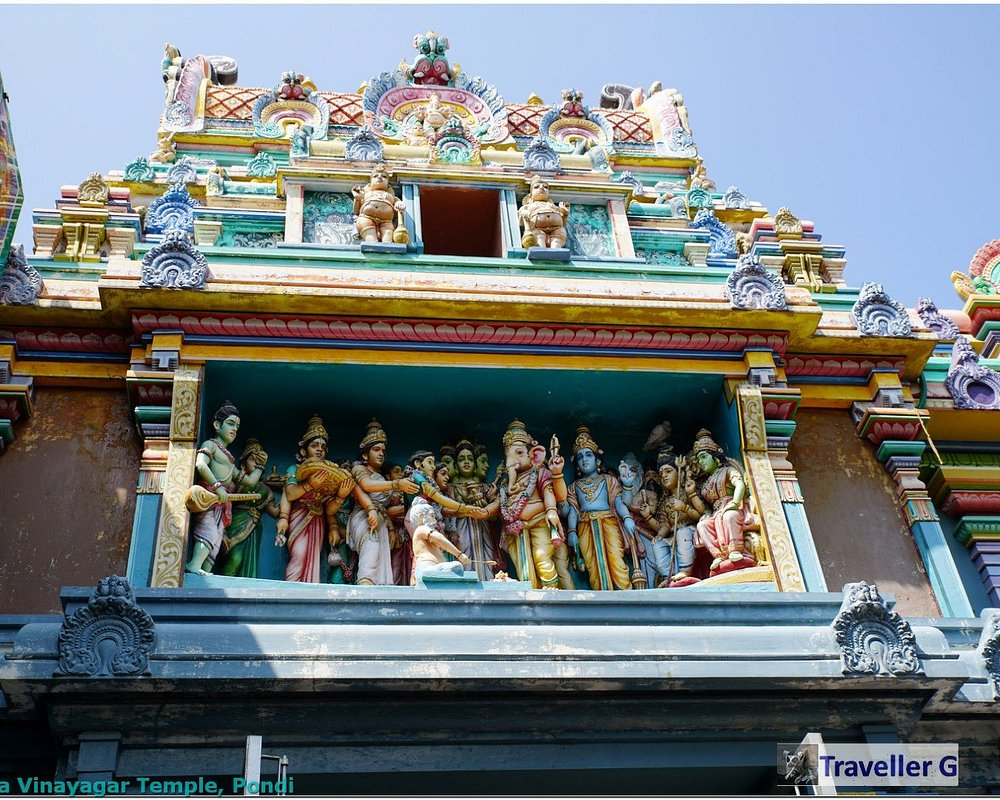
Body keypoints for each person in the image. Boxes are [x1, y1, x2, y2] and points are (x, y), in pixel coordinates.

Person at [275, 415, 377, 583]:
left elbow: (330, 509)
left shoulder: (328, 475)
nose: (319, 449)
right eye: (314, 445)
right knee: (299, 556)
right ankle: (292, 590)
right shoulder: (295, 469)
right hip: (299, 516)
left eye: (323, 446)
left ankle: (307, 592)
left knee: (313, 559)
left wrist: (340, 498)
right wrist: (284, 518)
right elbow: (290, 494)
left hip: (318, 519)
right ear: (303, 450)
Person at [564, 426, 635, 591]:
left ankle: (626, 595)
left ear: (597, 461)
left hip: (609, 522)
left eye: (588, 455)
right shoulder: (574, 487)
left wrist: (627, 518)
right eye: (580, 457)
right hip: (584, 526)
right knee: (592, 565)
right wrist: (572, 531)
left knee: (617, 561)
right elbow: (573, 510)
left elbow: (619, 502)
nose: (584, 460)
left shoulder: (608, 480)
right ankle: (601, 597)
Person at [498, 419, 567, 589]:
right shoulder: (505, 484)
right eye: (510, 456)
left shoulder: (539, 472)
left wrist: (551, 510)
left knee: (541, 556)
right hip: (515, 530)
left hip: (539, 522)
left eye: (520, 453)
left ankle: (552, 591)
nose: (514, 460)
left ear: (535, 455)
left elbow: (550, 493)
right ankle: (531, 595)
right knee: (523, 567)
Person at [348, 419, 418, 586]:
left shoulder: (383, 478)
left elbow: (388, 508)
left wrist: (391, 528)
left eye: (383, 451)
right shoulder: (360, 469)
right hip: (363, 515)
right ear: (365, 455)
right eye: (376, 450)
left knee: (381, 555)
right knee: (371, 547)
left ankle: (376, 587)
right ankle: (364, 586)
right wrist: (396, 484)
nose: (381, 454)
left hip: (380, 520)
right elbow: (366, 485)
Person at [688, 429, 757, 576]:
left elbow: (739, 484)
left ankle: (735, 550)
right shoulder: (706, 483)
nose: (700, 462)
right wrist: (692, 494)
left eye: (703, 457)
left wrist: (736, 501)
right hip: (716, 512)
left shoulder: (728, 470)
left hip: (733, 506)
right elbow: (704, 508)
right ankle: (718, 556)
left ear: (715, 458)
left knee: (729, 517)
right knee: (702, 525)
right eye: (699, 459)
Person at [186, 402, 242, 576]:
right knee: (208, 531)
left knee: (217, 537)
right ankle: (194, 565)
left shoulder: (229, 460)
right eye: (230, 424)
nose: (234, 429)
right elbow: (201, 464)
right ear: (217, 425)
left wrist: (259, 468)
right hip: (209, 496)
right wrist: (217, 487)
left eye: (237, 426)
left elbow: (245, 480)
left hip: (221, 502)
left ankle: (205, 570)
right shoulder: (210, 445)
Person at [216, 438, 279, 578]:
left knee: (247, 560)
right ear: (243, 462)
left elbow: (275, 512)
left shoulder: (264, 489)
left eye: (259, 460)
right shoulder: (236, 483)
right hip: (234, 523)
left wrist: (288, 491)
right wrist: (222, 531)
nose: (256, 462)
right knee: (235, 559)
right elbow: (223, 504)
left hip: (253, 527)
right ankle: (225, 587)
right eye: (252, 459)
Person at [450, 439, 500, 581]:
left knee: (487, 558)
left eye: (470, 459)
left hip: (483, 530)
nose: (466, 462)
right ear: (455, 465)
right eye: (461, 459)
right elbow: (446, 511)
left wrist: (486, 509)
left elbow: (496, 516)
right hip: (461, 530)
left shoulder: (486, 487)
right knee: (463, 556)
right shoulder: (451, 488)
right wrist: (467, 508)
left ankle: (487, 582)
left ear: (475, 463)